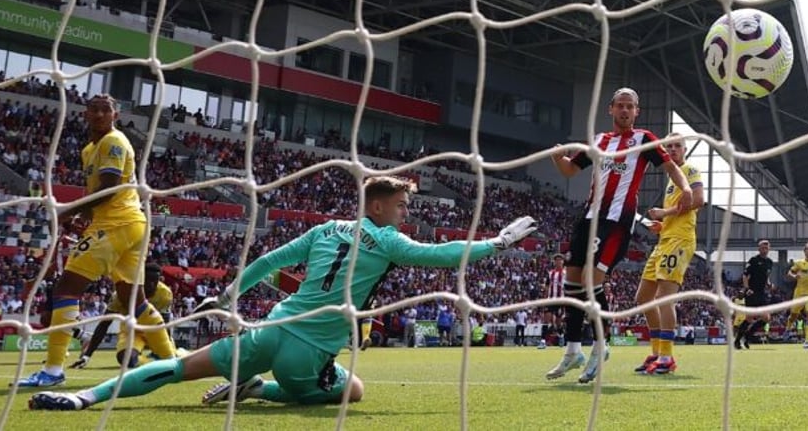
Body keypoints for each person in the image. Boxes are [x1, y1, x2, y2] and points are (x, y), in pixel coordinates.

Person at [29, 176, 537, 410]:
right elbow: (442, 256)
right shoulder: (386, 239)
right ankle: (261, 390)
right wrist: (496, 243)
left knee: (180, 369)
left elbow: (269, 262)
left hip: (267, 328)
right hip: (306, 352)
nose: (405, 212)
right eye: (402, 205)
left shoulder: (325, 229)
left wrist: (230, 296)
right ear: (379, 208)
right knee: (353, 391)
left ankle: (83, 397)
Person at [16, 94, 172, 388]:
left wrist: (65, 210)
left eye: (106, 110)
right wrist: (78, 217)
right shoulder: (91, 149)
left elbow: (110, 188)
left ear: (116, 114)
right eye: (94, 109)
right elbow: (98, 196)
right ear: (85, 114)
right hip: (129, 223)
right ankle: (172, 360)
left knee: (66, 289)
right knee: (133, 303)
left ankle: (52, 371)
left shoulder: (113, 141)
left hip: (118, 223)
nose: (99, 114)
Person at [546, 88, 693, 383]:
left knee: (592, 281)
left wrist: (686, 187)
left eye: (630, 106)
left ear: (636, 111)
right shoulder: (599, 141)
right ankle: (573, 350)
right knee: (572, 283)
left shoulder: (645, 139)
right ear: (611, 109)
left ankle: (601, 348)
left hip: (616, 222)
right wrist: (556, 156)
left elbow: (670, 167)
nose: (625, 111)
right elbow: (570, 170)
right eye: (620, 106)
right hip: (588, 218)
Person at [634, 132, 704, 374]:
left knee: (664, 297)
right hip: (665, 240)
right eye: (669, 146)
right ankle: (655, 352)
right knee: (643, 298)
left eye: (677, 146)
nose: (673, 149)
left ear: (684, 149)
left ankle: (667, 356)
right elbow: (679, 212)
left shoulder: (690, 170)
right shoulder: (670, 179)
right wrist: (661, 225)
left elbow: (698, 200)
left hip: (680, 240)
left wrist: (664, 214)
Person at [70, 263, 178, 369]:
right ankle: (146, 360)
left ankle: (171, 353)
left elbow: (165, 323)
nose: (151, 285)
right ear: (140, 279)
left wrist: (167, 344)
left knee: (171, 361)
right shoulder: (121, 295)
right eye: (147, 281)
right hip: (132, 332)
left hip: (155, 331)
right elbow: (104, 324)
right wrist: (87, 356)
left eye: (155, 281)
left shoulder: (165, 294)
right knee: (126, 360)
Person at [734, 239, 774, 349]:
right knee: (749, 318)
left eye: (766, 248)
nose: (764, 250)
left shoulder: (769, 262)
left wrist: (769, 284)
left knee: (766, 318)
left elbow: (766, 277)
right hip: (752, 292)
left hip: (762, 293)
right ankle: (737, 341)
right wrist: (747, 288)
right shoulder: (753, 260)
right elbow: (745, 275)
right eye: (762, 248)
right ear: (759, 249)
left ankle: (747, 336)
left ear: (769, 249)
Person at [785, 242, 808, 348]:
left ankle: (807, 341)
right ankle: (787, 329)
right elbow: (789, 273)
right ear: (804, 251)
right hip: (799, 293)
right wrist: (794, 276)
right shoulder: (799, 263)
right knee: (793, 316)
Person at [540, 253, 566, 349]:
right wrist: (545, 297)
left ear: (563, 262)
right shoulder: (550, 273)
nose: (558, 262)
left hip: (560, 301)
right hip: (550, 300)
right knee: (546, 319)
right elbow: (547, 286)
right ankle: (543, 341)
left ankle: (561, 336)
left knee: (559, 323)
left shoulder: (565, 274)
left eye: (560, 260)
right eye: (556, 260)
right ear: (554, 262)